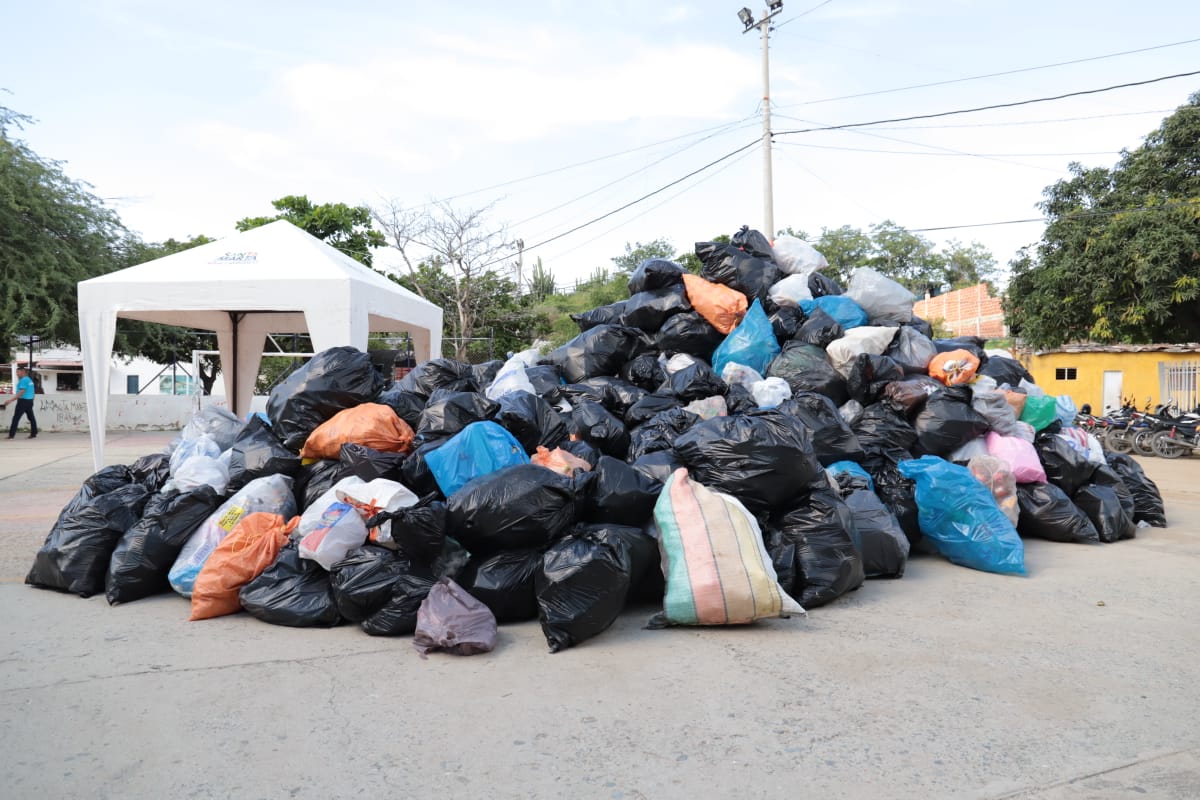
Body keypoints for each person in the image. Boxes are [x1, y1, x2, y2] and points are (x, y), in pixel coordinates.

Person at [5, 367, 38, 439]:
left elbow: (21, 391)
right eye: (16, 372)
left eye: (18, 372)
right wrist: (31, 400)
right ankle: (34, 433)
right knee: (31, 418)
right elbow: (32, 391)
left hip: (23, 401)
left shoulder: (23, 380)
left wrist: (10, 400)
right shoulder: (29, 380)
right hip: (29, 401)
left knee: (16, 418)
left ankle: (11, 435)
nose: (17, 374)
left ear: (23, 372)